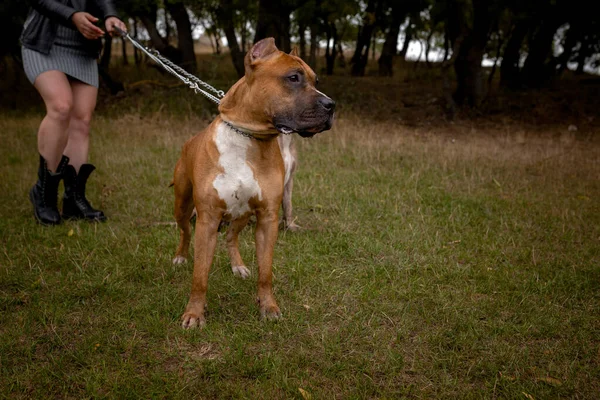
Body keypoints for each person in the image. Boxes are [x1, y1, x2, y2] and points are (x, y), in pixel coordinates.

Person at [21, 0, 126, 225]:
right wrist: (73, 16)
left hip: (83, 46)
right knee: (61, 106)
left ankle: (73, 200)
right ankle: (44, 196)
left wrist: (110, 15)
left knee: (82, 120)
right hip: (44, 42)